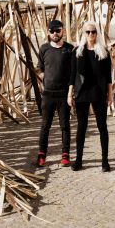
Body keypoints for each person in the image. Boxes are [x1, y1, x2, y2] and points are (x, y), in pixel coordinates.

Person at [68, 21, 113, 172]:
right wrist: (70, 94)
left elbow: (108, 76)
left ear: (97, 33)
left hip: (99, 93)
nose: (91, 35)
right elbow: (72, 75)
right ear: (83, 34)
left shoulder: (103, 52)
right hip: (82, 93)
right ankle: (78, 160)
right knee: (81, 127)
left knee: (102, 127)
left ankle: (105, 161)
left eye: (93, 32)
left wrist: (110, 95)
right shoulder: (77, 51)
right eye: (88, 32)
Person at [36, 20, 74, 167]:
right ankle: (41, 154)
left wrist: (71, 93)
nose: (55, 33)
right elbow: (41, 69)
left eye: (57, 30)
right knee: (45, 125)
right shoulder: (44, 49)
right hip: (48, 94)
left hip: (64, 94)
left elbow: (73, 73)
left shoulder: (70, 49)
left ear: (62, 31)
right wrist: (45, 83)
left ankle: (65, 155)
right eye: (52, 31)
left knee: (65, 125)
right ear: (48, 32)